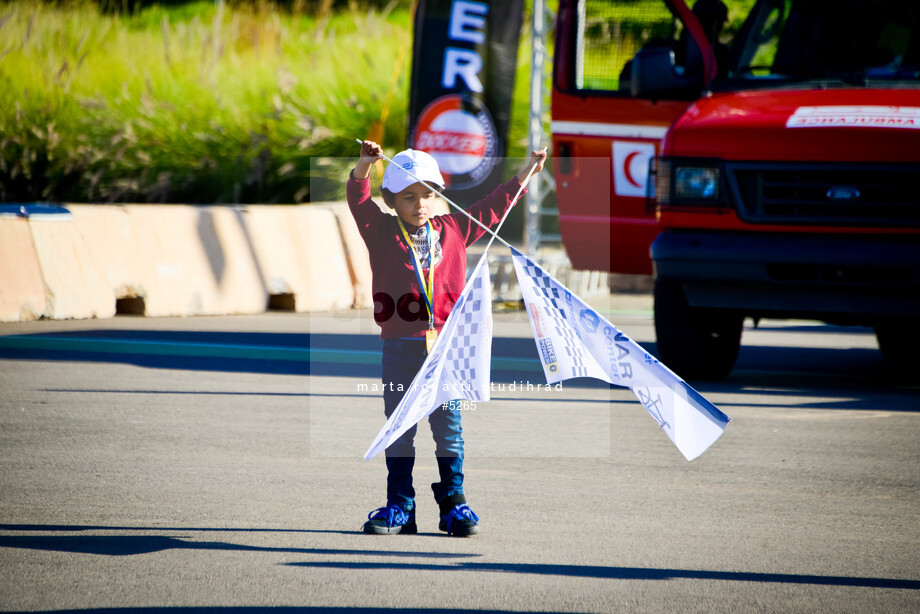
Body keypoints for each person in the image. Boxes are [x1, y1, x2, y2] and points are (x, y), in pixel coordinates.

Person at [348, 141, 546, 536]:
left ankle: (453, 503)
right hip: (399, 347)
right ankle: (400, 505)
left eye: (427, 195)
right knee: (399, 425)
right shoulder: (381, 231)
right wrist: (363, 167)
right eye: (409, 197)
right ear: (391, 199)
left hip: (447, 350)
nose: (420, 204)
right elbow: (358, 199)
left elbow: (494, 205)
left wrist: (526, 173)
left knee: (448, 427)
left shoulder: (452, 228)